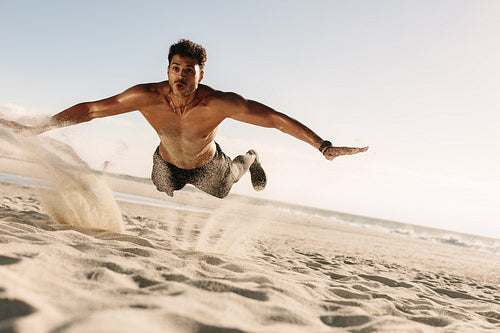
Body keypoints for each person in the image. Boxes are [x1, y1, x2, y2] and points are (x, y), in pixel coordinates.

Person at [0, 39, 368, 199]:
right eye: (176, 68)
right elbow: (93, 110)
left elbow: (273, 118)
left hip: (210, 166)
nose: (181, 76)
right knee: (164, 187)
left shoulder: (219, 103)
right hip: (167, 163)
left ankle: (251, 157)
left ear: (200, 76)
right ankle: (175, 179)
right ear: (168, 69)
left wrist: (323, 146)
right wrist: (36, 128)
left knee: (223, 189)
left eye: (189, 71)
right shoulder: (146, 96)